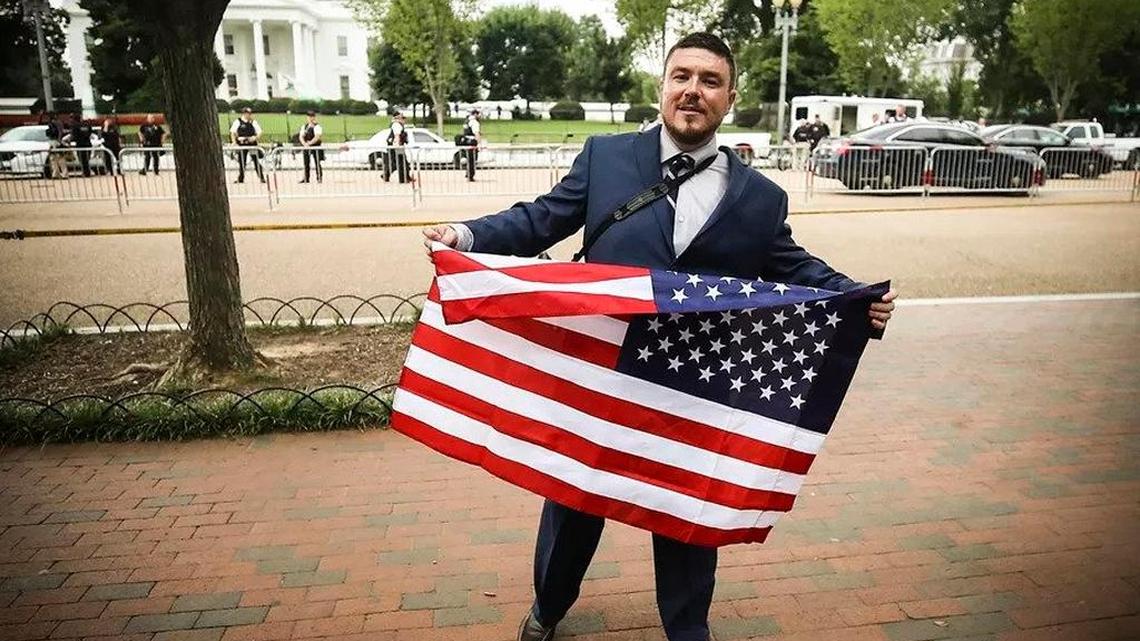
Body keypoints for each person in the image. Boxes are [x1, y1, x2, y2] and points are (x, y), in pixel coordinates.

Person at [422, 32, 897, 641]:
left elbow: (790, 262)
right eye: (682, 77)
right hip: (603, 373)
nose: (693, 91)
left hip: (691, 384)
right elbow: (542, 218)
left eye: (710, 81)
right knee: (573, 504)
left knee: (685, 512)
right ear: (663, 87)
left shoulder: (761, 197)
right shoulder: (606, 158)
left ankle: (687, 628)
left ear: (730, 98)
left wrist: (855, 296)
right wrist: (464, 236)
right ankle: (548, 607)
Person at [230, 107, 265, 183]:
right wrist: (234, 142)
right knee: (242, 161)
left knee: (255, 160)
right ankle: (241, 178)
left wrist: (255, 138)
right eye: (247, 113)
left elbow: (259, 132)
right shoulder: (238, 121)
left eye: (250, 113)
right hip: (242, 144)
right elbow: (233, 132)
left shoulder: (253, 122)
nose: (249, 115)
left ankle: (261, 177)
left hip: (252, 144)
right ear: (244, 113)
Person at [298, 110, 323, 183]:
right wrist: (304, 144)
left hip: (316, 146)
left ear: (314, 117)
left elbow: (317, 137)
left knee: (317, 162)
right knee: (306, 163)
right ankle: (306, 178)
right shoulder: (304, 126)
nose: (310, 118)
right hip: (306, 146)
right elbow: (301, 136)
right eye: (309, 117)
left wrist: (310, 143)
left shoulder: (317, 126)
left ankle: (319, 177)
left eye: (312, 116)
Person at [384, 112, 409, 183]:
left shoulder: (397, 125)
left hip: (396, 146)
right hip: (396, 146)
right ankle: (403, 178)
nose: (404, 120)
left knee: (399, 163)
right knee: (401, 163)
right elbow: (397, 135)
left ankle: (405, 177)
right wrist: (397, 145)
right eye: (402, 118)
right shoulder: (397, 125)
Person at [45, 112, 68, 179]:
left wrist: (58, 140)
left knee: (58, 158)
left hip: (55, 141)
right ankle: (57, 173)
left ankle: (61, 173)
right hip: (54, 141)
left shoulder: (55, 123)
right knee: (55, 158)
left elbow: (60, 132)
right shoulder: (55, 123)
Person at [460, 109, 481, 181]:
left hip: (466, 142)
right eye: (478, 114)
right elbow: (476, 133)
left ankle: (467, 173)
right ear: (475, 114)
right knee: (472, 159)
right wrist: (479, 143)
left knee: (469, 159)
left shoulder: (467, 121)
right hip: (472, 142)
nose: (479, 116)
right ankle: (470, 176)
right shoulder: (475, 122)